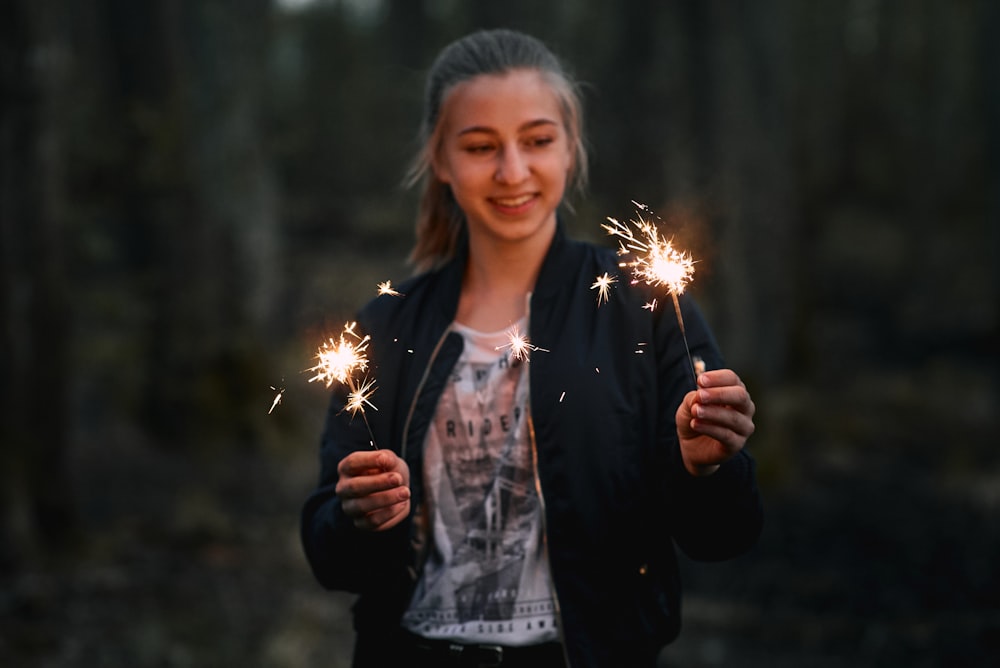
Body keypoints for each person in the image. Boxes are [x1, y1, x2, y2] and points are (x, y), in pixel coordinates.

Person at [301, 28, 762, 668]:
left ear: (571, 148)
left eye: (538, 140)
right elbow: (330, 556)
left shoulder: (643, 309)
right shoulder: (386, 326)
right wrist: (357, 516)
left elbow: (724, 536)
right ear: (440, 159)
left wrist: (708, 470)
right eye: (480, 146)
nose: (512, 171)